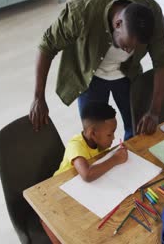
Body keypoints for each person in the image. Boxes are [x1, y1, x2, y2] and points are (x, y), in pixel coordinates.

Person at [29, 0, 164, 140]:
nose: (130, 51)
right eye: (126, 45)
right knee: (95, 137)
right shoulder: (80, 13)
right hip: (90, 77)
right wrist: (38, 97)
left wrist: (154, 111)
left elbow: (163, 61)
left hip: (129, 74)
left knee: (137, 132)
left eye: (137, 47)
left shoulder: (151, 15)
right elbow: (47, 45)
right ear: (118, 24)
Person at [41, 102, 128, 243]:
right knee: (55, 226)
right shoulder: (75, 144)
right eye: (109, 134)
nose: (113, 137)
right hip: (56, 193)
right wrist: (115, 159)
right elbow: (87, 174)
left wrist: (115, 155)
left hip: (80, 192)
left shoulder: (99, 143)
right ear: (93, 133)